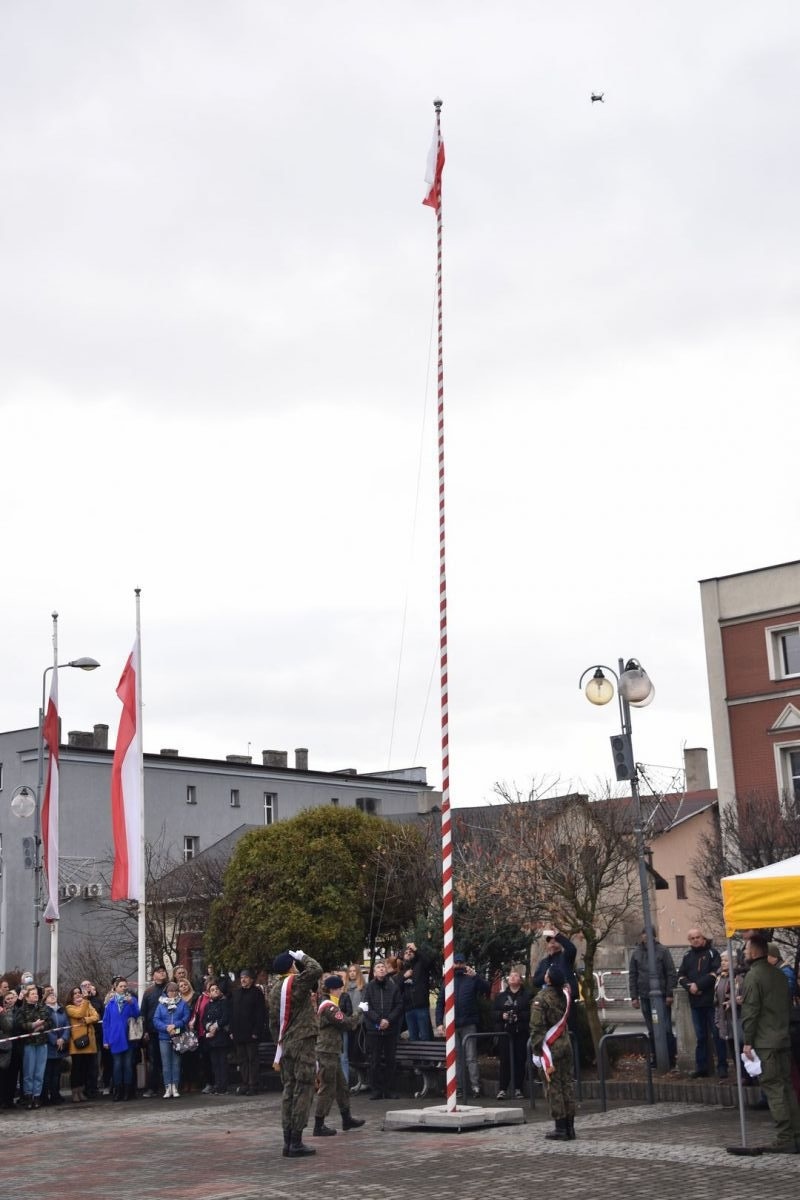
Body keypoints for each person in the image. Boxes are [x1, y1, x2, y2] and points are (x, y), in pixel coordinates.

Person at [741, 932, 800, 1153]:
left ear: (754, 952)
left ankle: (785, 1137)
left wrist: (747, 1042)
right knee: (787, 1089)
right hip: (783, 1038)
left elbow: (750, 1011)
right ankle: (796, 1134)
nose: (744, 953)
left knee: (775, 1089)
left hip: (766, 1042)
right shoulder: (779, 975)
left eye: (746, 949)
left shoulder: (754, 976)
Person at [269, 949, 323, 1158]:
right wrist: (303, 956)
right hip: (303, 1043)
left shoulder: (274, 989)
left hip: (285, 1046)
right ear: (291, 966)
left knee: (289, 1091)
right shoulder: (296, 983)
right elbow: (316, 969)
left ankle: (287, 1141)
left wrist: (279, 1044)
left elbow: (273, 1023)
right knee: (304, 1089)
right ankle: (296, 1142)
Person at [313, 974, 365, 1136]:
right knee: (327, 1087)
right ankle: (318, 1124)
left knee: (342, 1086)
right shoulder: (329, 1007)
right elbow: (347, 1023)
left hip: (331, 1051)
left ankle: (346, 1118)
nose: (342, 991)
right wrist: (360, 1011)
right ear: (333, 989)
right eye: (340, 988)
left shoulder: (329, 1004)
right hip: (326, 1052)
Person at [435, 952, 490, 1098]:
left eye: (461, 963)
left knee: (471, 1057)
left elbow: (486, 989)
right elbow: (441, 1002)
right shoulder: (447, 980)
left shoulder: (471, 978)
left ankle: (475, 1086)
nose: (459, 965)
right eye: (456, 963)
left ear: (464, 963)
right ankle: (458, 1087)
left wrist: (476, 977)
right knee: (457, 1058)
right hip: (454, 1026)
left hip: (468, 1023)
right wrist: (439, 1023)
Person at [531, 964, 576, 1140]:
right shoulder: (565, 994)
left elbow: (537, 1027)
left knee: (553, 1087)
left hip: (550, 1049)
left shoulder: (541, 998)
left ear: (548, 979)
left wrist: (536, 1050)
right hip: (565, 1044)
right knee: (567, 1085)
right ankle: (570, 1127)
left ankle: (560, 1128)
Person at [678, 927, 727, 1078]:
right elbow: (680, 976)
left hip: (711, 1002)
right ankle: (702, 1067)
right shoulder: (687, 956)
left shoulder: (713, 953)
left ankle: (722, 1067)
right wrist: (690, 987)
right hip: (695, 1003)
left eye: (698, 937)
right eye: (692, 938)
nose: (695, 940)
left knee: (717, 1035)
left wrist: (698, 985)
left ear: (703, 938)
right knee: (700, 1037)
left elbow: (714, 973)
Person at [628, 927, 678, 1069]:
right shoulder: (636, 953)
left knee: (666, 1027)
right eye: (644, 936)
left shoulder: (662, 951)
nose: (645, 938)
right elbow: (633, 975)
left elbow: (670, 973)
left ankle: (670, 1058)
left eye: (648, 936)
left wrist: (669, 994)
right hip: (644, 996)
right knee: (651, 1028)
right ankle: (656, 1058)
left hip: (661, 996)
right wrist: (634, 996)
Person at [362, 958, 403, 1100]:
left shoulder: (393, 987)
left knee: (391, 1060)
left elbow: (399, 1005)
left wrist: (388, 1020)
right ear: (374, 972)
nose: (381, 969)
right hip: (374, 1030)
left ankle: (389, 1089)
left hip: (390, 1029)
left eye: (383, 967)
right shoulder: (369, 987)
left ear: (386, 970)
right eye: (378, 967)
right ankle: (376, 1089)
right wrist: (378, 1020)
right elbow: (365, 1006)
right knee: (375, 1060)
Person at [493, 965, 530, 1098]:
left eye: (516, 975)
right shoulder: (501, 997)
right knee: (505, 1061)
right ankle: (502, 1088)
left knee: (520, 1060)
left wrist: (518, 1016)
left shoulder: (526, 996)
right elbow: (494, 1013)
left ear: (520, 980)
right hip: (505, 1032)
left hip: (520, 1032)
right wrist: (501, 1016)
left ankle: (518, 1088)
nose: (513, 977)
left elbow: (530, 1013)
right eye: (511, 975)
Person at [102, 976, 140, 1101]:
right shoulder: (110, 1003)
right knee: (117, 1065)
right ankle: (118, 1090)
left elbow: (137, 1015)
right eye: (121, 986)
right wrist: (106, 1040)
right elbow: (106, 1023)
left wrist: (131, 1004)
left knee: (128, 1065)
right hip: (115, 1038)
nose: (123, 988)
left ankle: (127, 1091)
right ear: (115, 988)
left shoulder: (132, 1000)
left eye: (125, 986)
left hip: (128, 1037)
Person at [532, 928, 579, 1029]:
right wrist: (547, 976)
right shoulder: (544, 962)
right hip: (549, 1002)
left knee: (569, 1031)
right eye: (549, 941)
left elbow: (572, 949)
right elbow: (535, 982)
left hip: (566, 1001)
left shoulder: (565, 957)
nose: (552, 942)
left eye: (555, 941)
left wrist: (558, 935)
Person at [230, 967, 267, 1096]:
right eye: (241, 978)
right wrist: (232, 1030)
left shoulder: (257, 993)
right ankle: (245, 1083)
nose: (243, 980)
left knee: (252, 1059)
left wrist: (256, 1030)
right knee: (242, 1060)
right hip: (239, 1032)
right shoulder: (237, 993)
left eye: (246, 977)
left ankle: (253, 1084)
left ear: (251, 979)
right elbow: (233, 1013)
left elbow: (260, 1014)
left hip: (251, 1032)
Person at [17, 982, 53, 1109]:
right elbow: (20, 1024)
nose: (35, 996)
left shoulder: (42, 1007)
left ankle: (37, 1096)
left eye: (36, 994)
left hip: (42, 1042)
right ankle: (28, 1096)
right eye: (32, 994)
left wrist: (42, 1026)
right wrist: (33, 1026)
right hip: (29, 1044)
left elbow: (50, 1022)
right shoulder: (22, 1009)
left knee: (39, 1071)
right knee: (29, 1071)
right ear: (27, 997)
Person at [153, 980, 191, 1098]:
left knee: (176, 1063)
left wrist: (176, 1025)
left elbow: (186, 1017)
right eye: (170, 991)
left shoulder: (182, 1003)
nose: (173, 993)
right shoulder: (161, 1004)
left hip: (178, 1036)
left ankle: (175, 1086)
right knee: (166, 1063)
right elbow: (156, 1020)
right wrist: (166, 1027)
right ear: (166, 992)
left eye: (175, 991)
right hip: (164, 1037)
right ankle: (167, 1087)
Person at [65, 984, 100, 1103]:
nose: (78, 994)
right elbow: (79, 1013)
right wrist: (85, 1002)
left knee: (86, 1068)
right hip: (77, 1042)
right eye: (75, 993)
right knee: (77, 1069)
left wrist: (86, 1020)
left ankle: (82, 1091)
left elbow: (96, 1016)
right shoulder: (70, 1007)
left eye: (79, 992)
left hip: (89, 1041)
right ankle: (75, 1092)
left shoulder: (87, 1004)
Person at [140, 965, 168, 1097]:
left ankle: (168, 1086)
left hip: (168, 1030)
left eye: (164, 971)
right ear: (154, 975)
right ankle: (152, 1087)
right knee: (153, 1060)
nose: (162, 973)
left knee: (167, 1059)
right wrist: (144, 1031)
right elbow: (143, 1013)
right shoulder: (149, 992)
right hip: (152, 1031)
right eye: (159, 971)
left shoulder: (170, 989)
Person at [400, 942, 436, 1041]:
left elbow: (429, 962)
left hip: (421, 1006)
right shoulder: (402, 970)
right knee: (413, 1038)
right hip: (408, 1009)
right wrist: (404, 977)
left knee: (425, 1036)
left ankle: (427, 1056)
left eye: (410, 951)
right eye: (406, 952)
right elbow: (397, 987)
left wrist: (416, 949)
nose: (408, 953)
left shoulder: (420, 964)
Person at [42, 986, 69, 1105]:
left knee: (57, 1073)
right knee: (47, 1073)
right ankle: (45, 1096)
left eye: (53, 995)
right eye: (49, 995)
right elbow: (46, 1028)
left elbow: (67, 1025)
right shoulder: (44, 1011)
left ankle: (55, 1094)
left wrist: (63, 1039)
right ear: (45, 999)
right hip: (49, 1047)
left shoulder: (62, 1010)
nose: (52, 996)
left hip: (61, 1046)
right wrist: (55, 1040)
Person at [204, 980, 231, 1095]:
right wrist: (209, 1026)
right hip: (212, 1038)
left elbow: (225, 1017)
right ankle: (217, 1083)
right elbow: (204, 1019)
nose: (214, 992)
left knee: (222, 1062)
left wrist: (216, 1026)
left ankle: (223, 1086)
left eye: (216, 989)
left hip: (222, 1036)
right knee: (214, 1063)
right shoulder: (208, 1005)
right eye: (212, 990)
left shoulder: (224, 1002)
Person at [80, 978, 104, 1097]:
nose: (87, 987)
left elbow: (100, 1017)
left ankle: (93, 1088)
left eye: (89, 985)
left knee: (95, 1064)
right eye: (84, 986)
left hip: (96, 1036)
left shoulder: (97, 1001)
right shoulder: (79, 1001)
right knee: (84, 1064)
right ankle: (83, 1088)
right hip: (82, 1037)